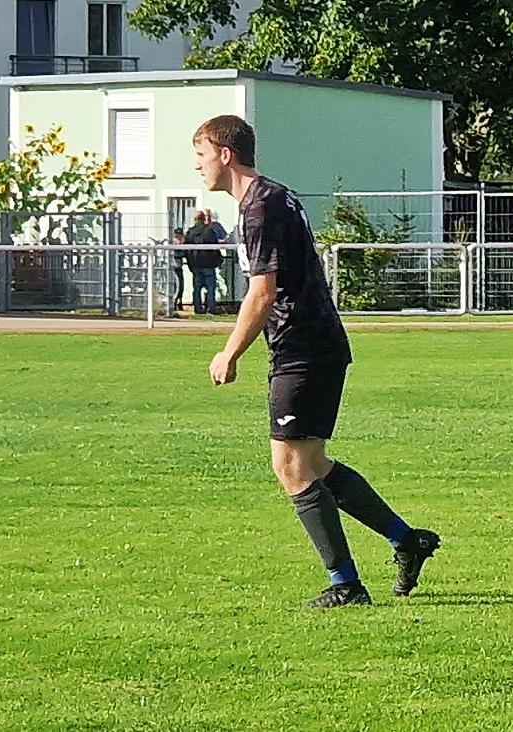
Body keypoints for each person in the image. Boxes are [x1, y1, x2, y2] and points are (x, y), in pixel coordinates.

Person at [194, 114, 440, 608]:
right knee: (313, 464)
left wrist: (229, 351)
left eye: (200, 155)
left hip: (302, 345)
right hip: (313, 342)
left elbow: (262, 294)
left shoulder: (259, 208)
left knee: (289, 466)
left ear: (225, 154)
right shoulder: (272, 196)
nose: (197, 167)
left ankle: (345, 585)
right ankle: (406, 540)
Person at [186, 211, 223, 314]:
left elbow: (186, 250)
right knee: (211, 287)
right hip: (208, 264)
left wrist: (190, 263)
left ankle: (198, 309)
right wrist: (218, 260)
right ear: (204, 218)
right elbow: (215, 247)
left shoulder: (190, 232)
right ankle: (211, 309)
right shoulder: (209, 231)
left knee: (197, 288)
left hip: (196, 264)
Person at [171, 227, 187, 312]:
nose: (179, 239)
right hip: (173, 268)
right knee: (177, 287)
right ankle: (174, 303)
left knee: (181, 287)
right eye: (177, 237)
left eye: (180, 236)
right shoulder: (173, 245)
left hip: (179, 268)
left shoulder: (182, 245)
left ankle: (179, 302)